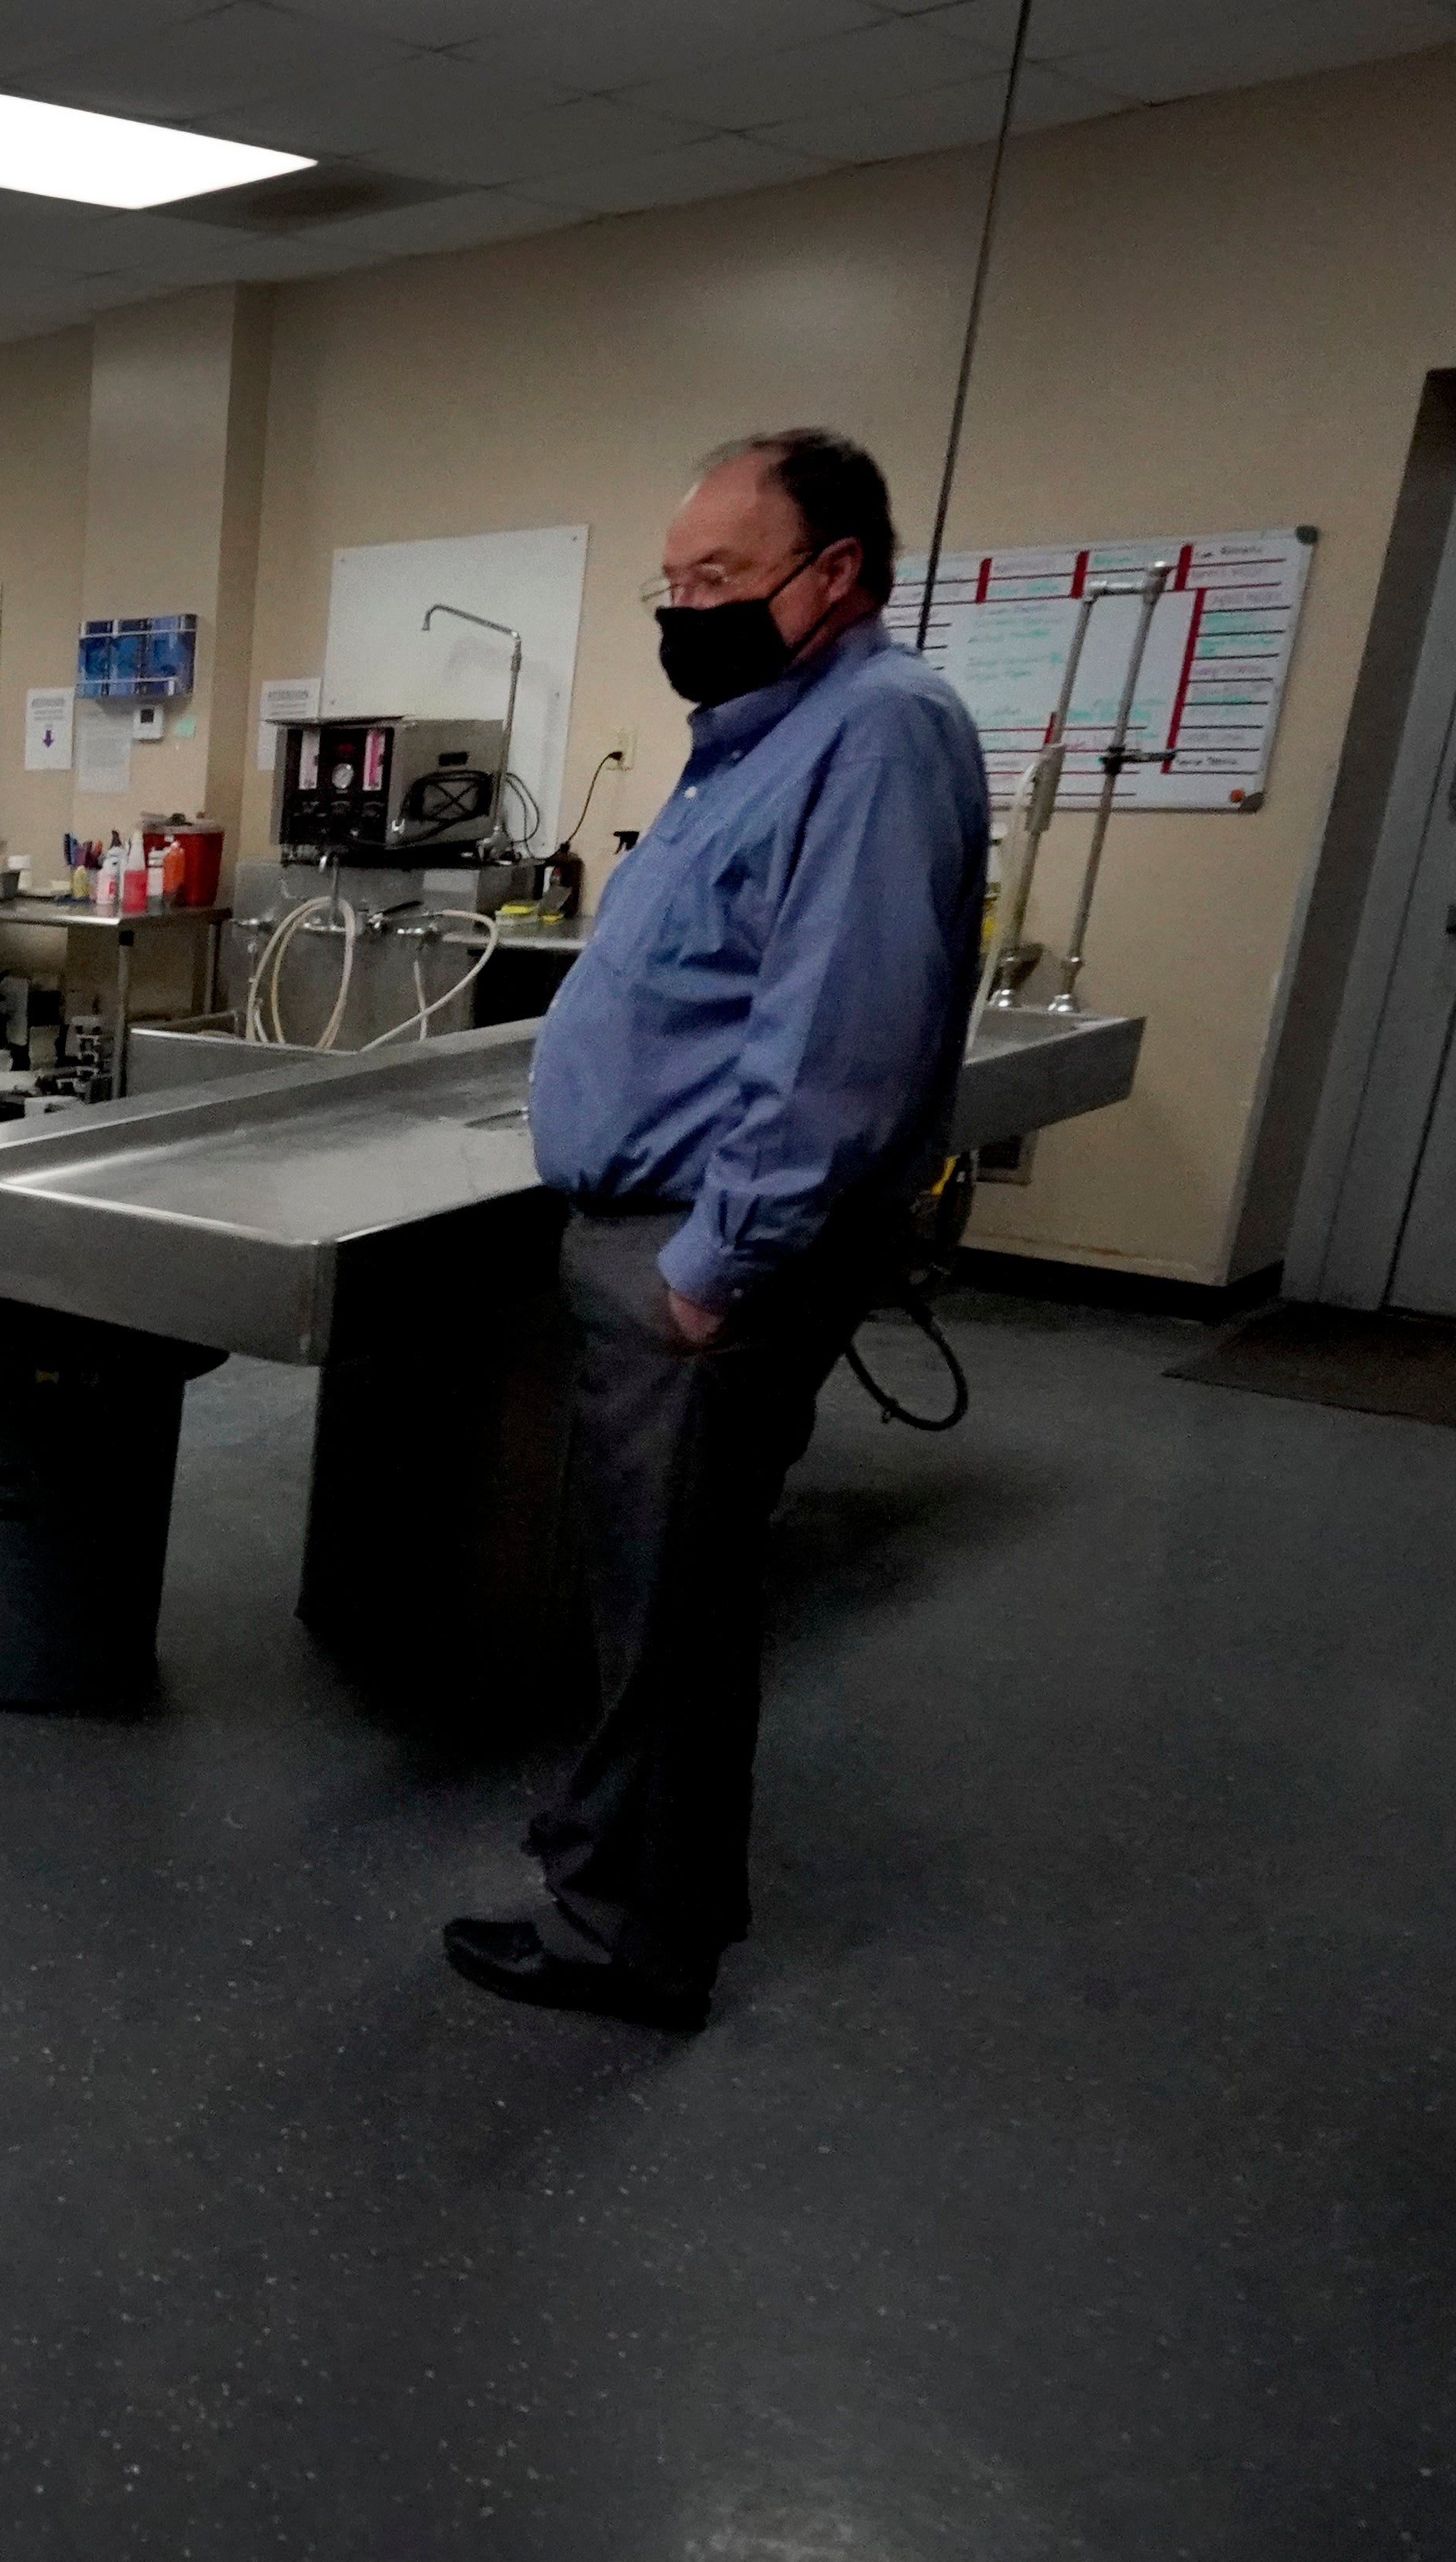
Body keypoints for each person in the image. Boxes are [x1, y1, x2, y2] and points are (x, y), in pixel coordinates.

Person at [446, 429, 988, 2035]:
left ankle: (632, 1938)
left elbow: (842, 1043)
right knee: (636, 1587)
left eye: (722, 581)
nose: (685, 612)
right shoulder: (751, 734)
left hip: (704, 1251)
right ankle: (613, 1851)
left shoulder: (877, 733)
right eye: (670, 585)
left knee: (670, 1610)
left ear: (836, 579)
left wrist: (710, 1269)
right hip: (649, 1224)